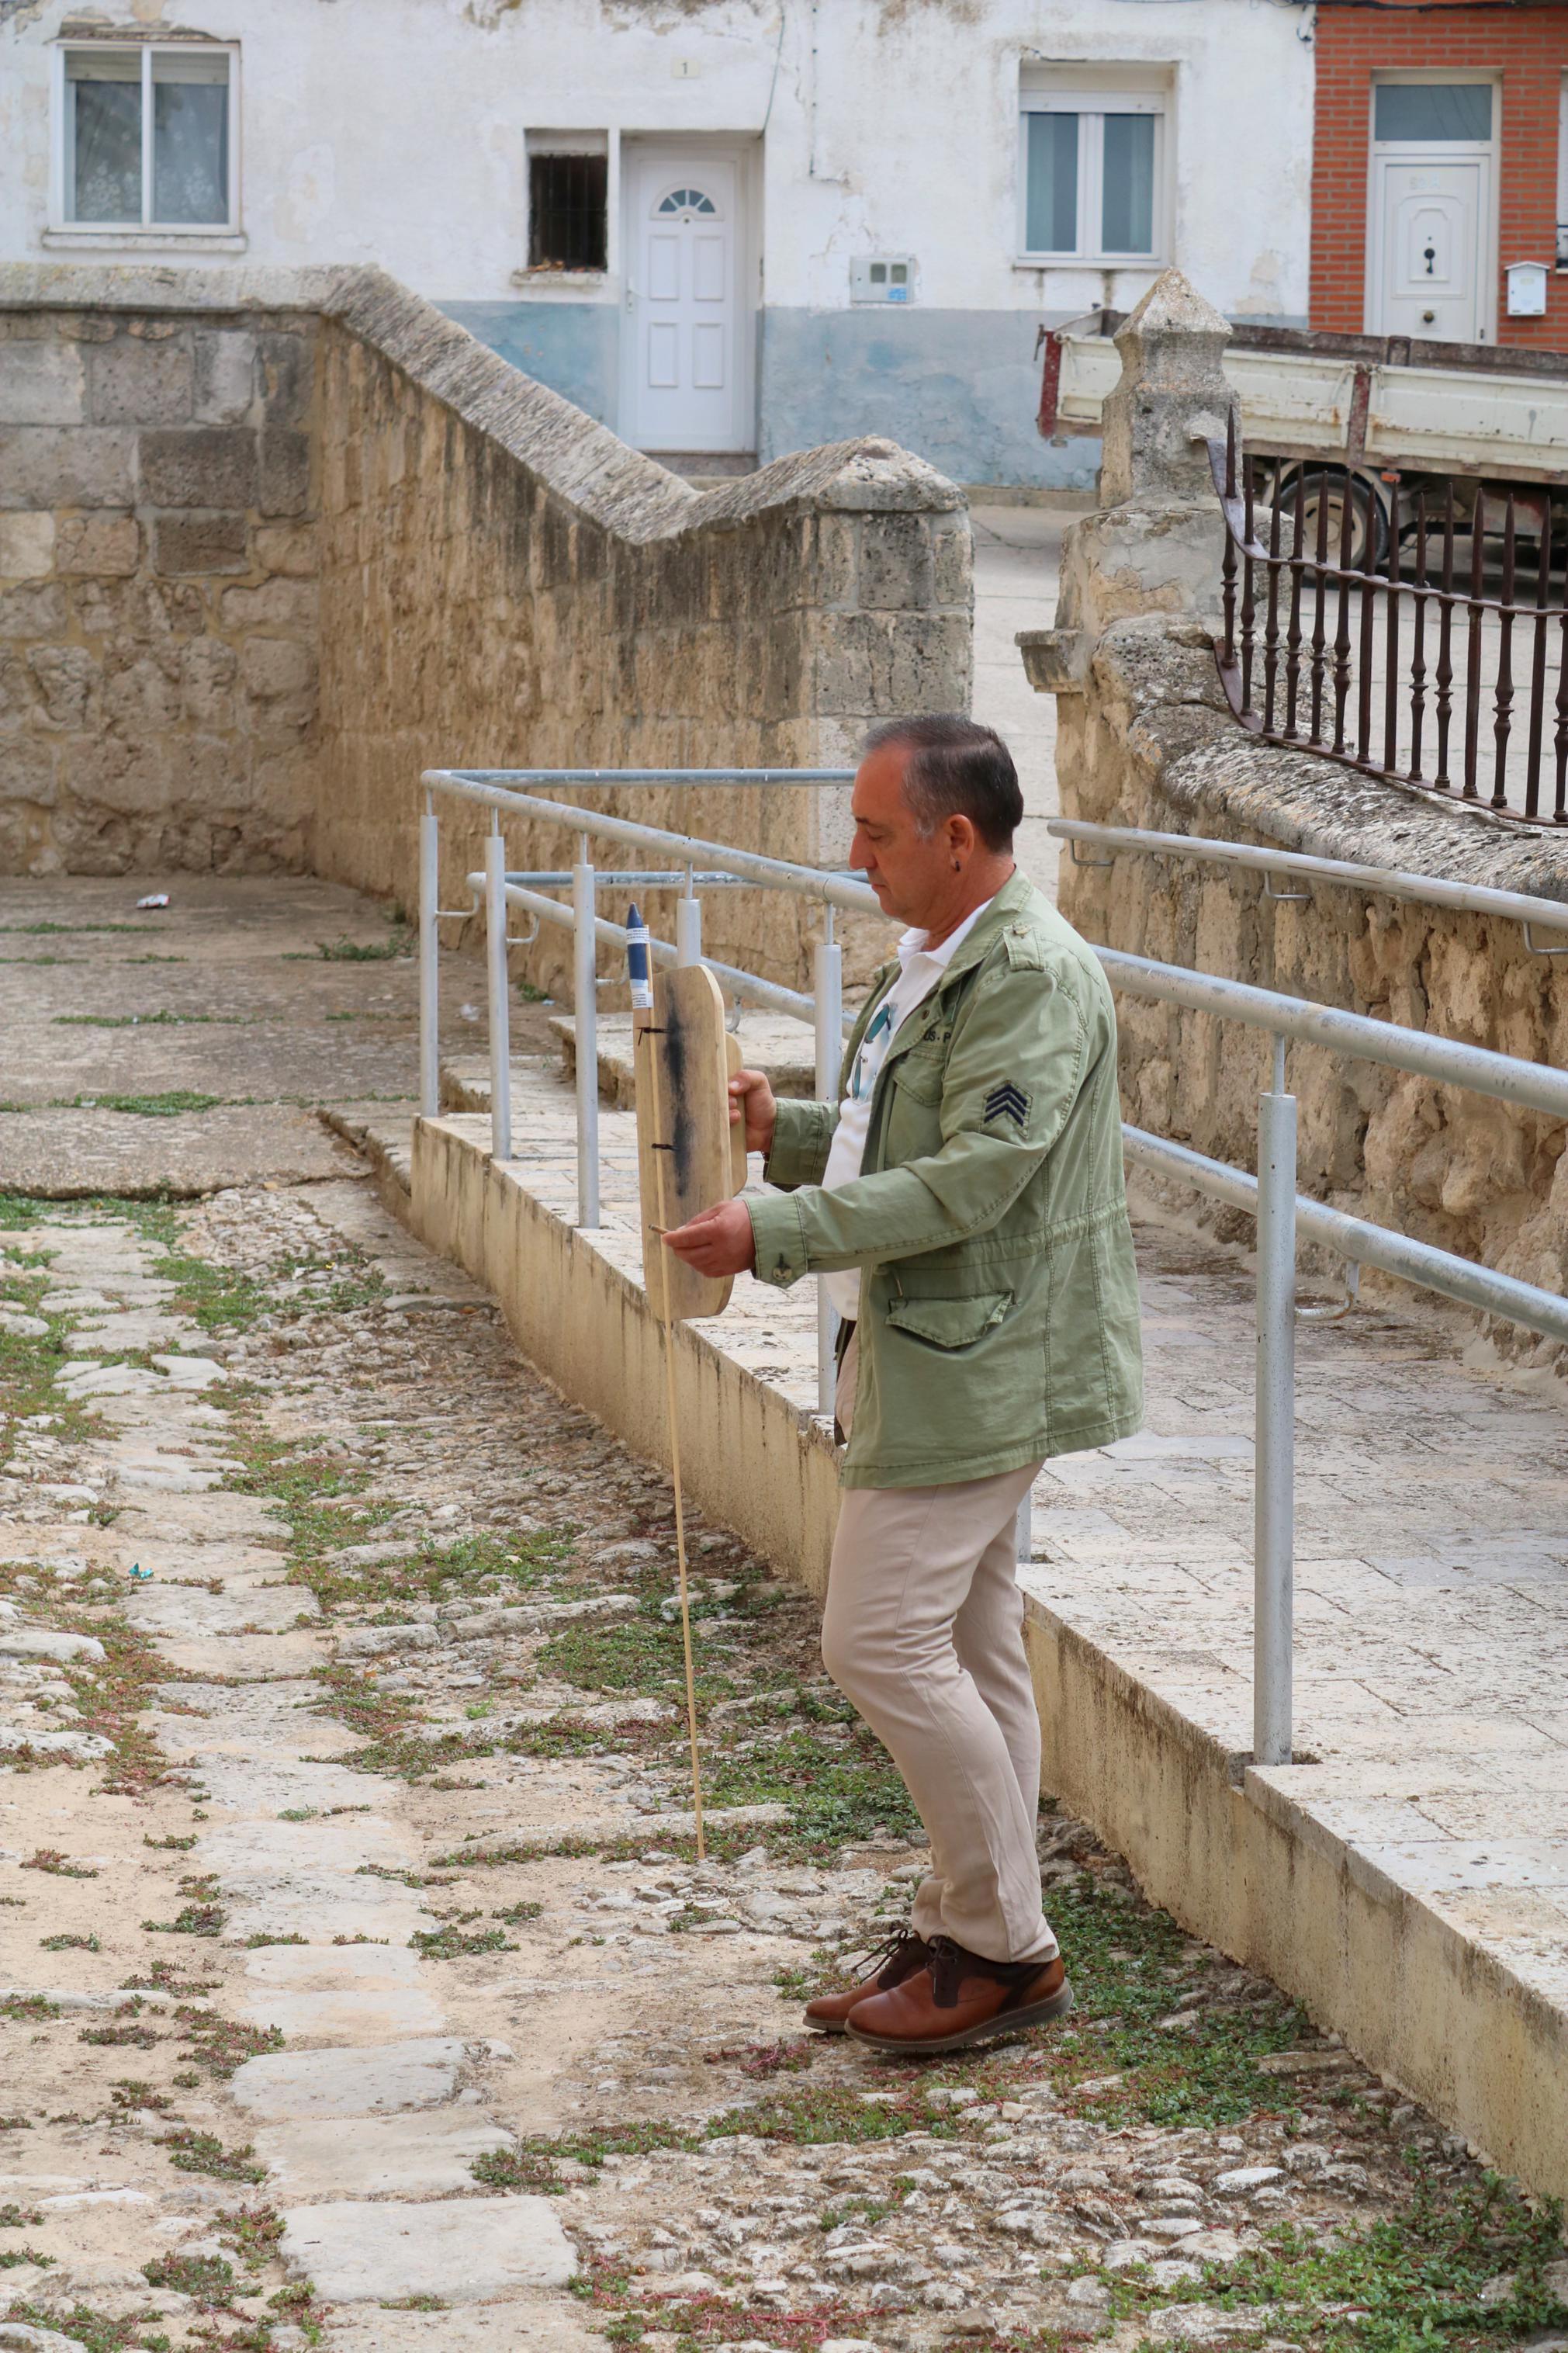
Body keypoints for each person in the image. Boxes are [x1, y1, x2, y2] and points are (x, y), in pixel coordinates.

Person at [662, 716, 1142, 2054]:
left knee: (875, 1640)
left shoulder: (1032, 974)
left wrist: (776, 1229)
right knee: (975, 1652)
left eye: (875, 831)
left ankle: (1003, 1949)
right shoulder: (933, 958)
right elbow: (900, 1132)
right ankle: (964, 1928)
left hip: (985, 1357)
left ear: (955, 837)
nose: (854, 852)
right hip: (932, 1343)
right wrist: (792, 1133)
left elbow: (979, 1178)